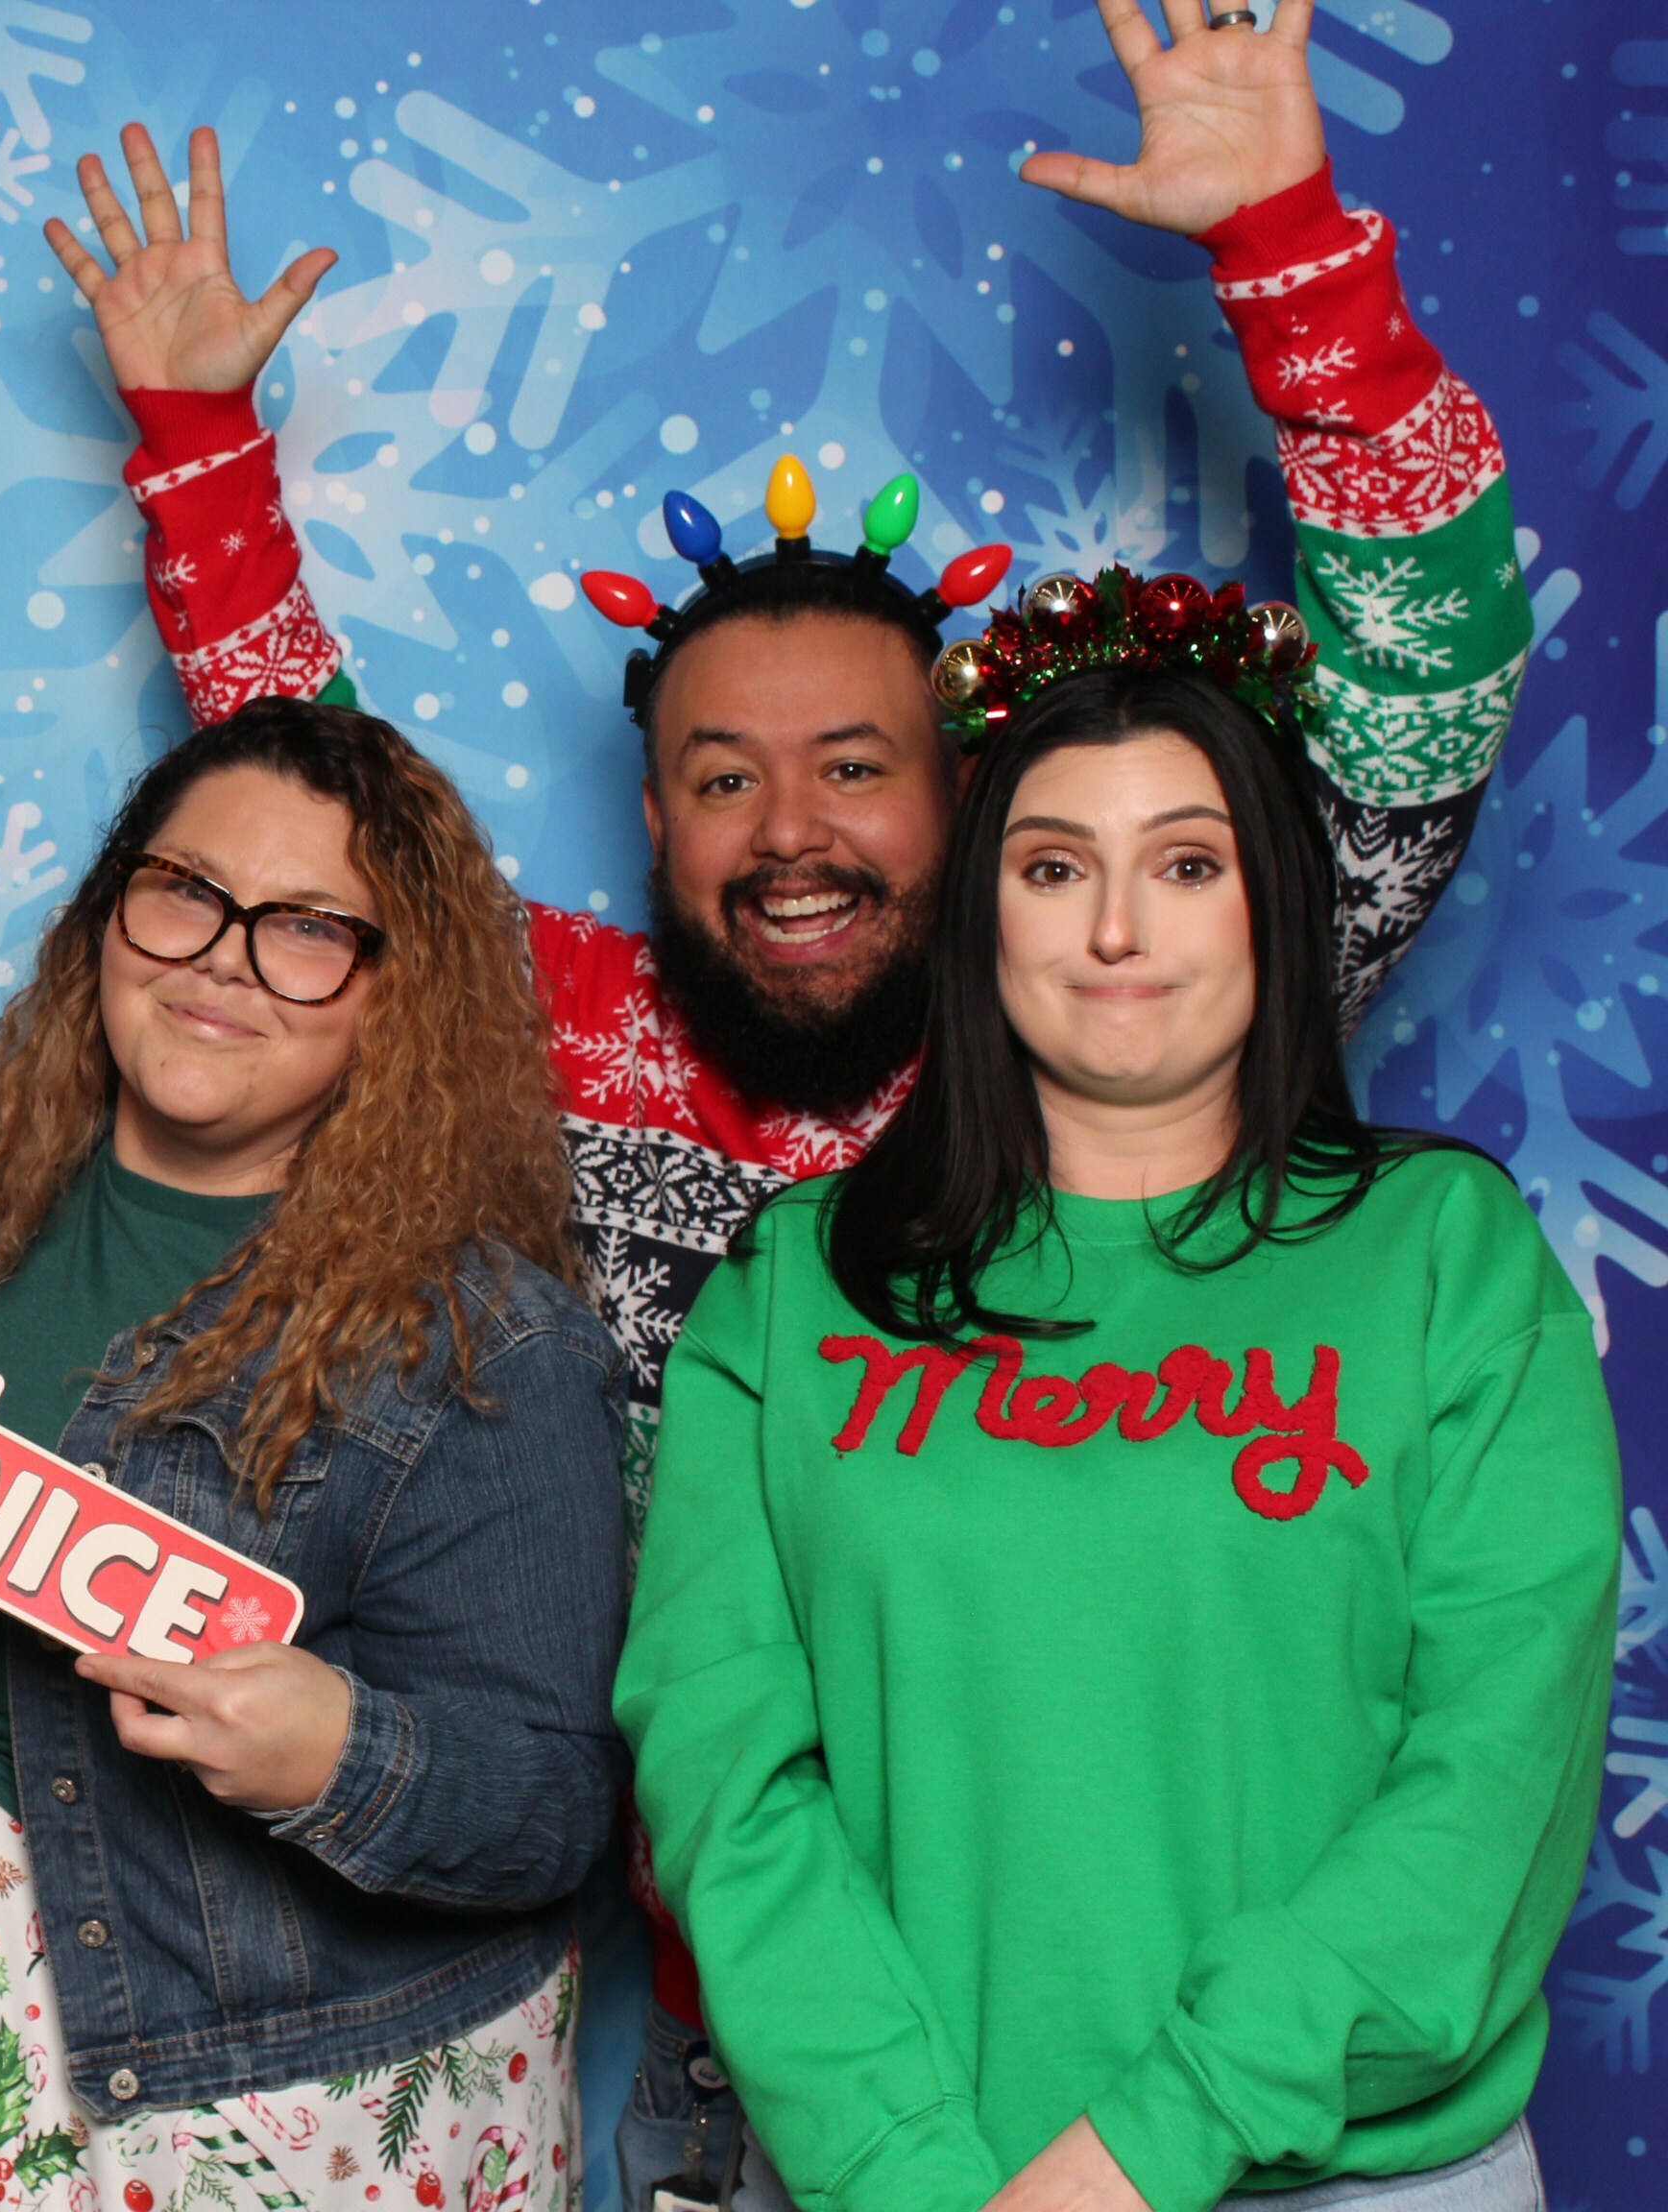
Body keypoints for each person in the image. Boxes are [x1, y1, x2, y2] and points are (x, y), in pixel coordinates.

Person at [45, 4, 1526, 2199]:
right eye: (720, 779)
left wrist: (1292, 250)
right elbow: (317, 838)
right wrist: (195, 448)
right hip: (766, 2056)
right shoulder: (558, 1045)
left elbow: (1420, 704)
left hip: (1249, 2074)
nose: (791, 831)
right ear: (648, 822)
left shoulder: (1121, 987)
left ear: (979, 807)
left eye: (854, 766)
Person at [614, 610, 1619, 2212]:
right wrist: (907, 2174)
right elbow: (722, 1772)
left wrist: (1149, 2140)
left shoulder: (1446, 1255)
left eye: (1187, 864)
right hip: (904, 2178)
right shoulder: (798, 1281)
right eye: (1053, 866)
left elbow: (1497, 1770)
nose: (1115, 929)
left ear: (1274, 899)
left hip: (1348, 2176)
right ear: (982, 914)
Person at [0, 697, 630, 2212]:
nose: (225, 959)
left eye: (308, 929)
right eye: (186, 891)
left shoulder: (489, 1345)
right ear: (111, 913)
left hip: (270, 2087)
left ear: (398, 995)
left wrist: (343, 1757)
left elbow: (554, 1807)